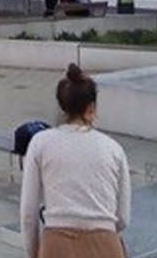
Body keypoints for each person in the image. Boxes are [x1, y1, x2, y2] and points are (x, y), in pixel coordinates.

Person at [20, 64, 131, 258]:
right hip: (105, 245)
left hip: (56, 245)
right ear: (91, 107)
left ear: (61, 105)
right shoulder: (114, 149)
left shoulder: (40, 143)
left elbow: (28, 215)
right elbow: (122, 218)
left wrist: (34, 251)